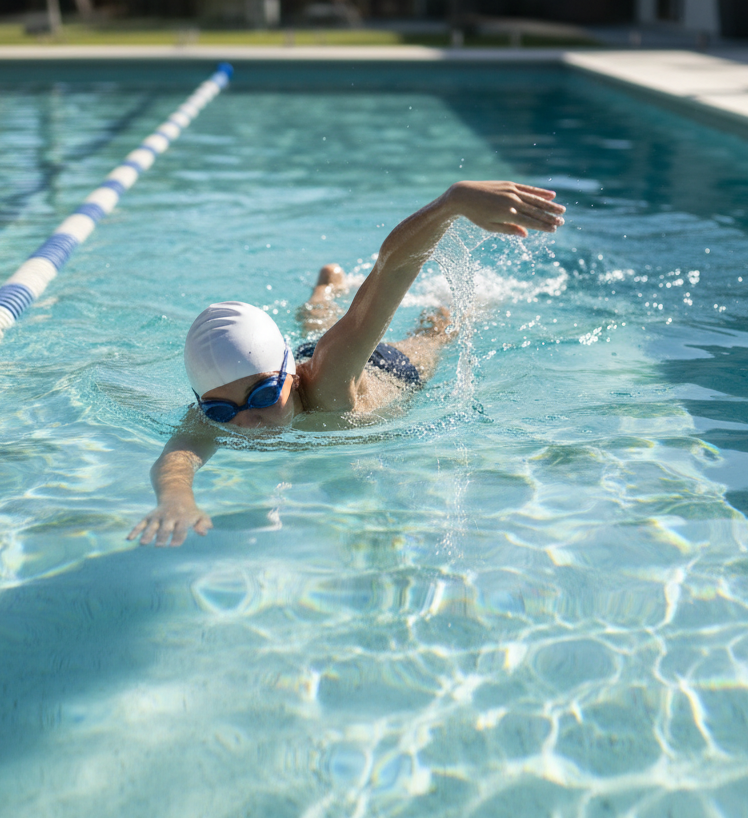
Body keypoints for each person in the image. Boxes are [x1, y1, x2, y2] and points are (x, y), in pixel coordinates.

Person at [129, 180, 565, 547]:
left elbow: (390, 270)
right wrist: (175, 499)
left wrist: (451, 204)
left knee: (435, 331)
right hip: (303, 354)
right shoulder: (219, 404)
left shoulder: (329, 378)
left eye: (262, 395)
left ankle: (391, 308)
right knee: (316, 328)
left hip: (386, 368)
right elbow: (178, 458)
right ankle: (325, 290)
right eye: (222, 412)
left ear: (289, 377)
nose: (248, 421)